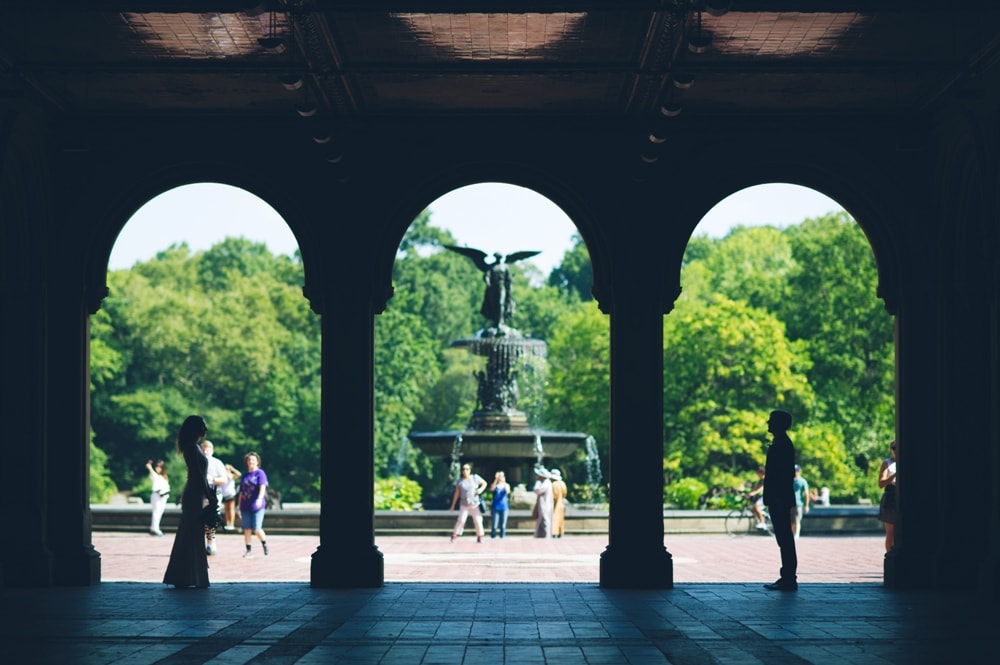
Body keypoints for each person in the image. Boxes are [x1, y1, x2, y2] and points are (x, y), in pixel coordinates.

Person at [163, 415, 214, 589]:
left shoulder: (192, 447)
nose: (205, 430)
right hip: (194, 494)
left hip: (195, 493)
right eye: (202, 426)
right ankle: (191, 576)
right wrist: (210, 494)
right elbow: (200, 475)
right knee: (191, 534)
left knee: (190, 534)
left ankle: (186, 576)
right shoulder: (192, 448)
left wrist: (207, 494)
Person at [762, 409, 797, 591]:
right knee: (784, 538)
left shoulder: (781, 445)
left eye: (771, 421)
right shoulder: (783, 443)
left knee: (784, 538)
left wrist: (774, 497)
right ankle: (788, 576)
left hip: (779, 498)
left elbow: (781, 474)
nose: (768, 423)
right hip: (780, 497)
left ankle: (789, 577)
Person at [200, 440, 230, 555]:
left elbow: (224, 479)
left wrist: (212, 479)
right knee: (199, 520)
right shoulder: (197, 463)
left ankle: (211, 544)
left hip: (213, 495)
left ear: (212, 451)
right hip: (199, 494)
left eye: (207, 449)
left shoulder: (217, 463)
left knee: (210, 519)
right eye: (203, 450)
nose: (205, 451)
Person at [238, 451, 269, 558]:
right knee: (247, 528)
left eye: (253, 460)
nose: (251, 462)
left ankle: (264, 543)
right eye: (249, 460)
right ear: (247, 462)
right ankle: (248, 550)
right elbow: (241, 492)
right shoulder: (245, 475)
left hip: (257, 505)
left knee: (256, 528)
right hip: (245, 505)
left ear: (257, 462)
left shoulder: (260, 473)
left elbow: (262, 487)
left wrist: (260, 498)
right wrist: (239, 505)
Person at [449, 463, 487, 543]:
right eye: (463, 469)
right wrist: (453, 505)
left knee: (478, 520)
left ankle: (479, 536)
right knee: (461, 520)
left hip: (475, 503)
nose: (465, 471)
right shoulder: (460, 481)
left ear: (470, 470)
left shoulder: (475, 478)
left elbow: (484, 483)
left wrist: (480, 490)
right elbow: (457, 494)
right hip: (464, 504)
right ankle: (455, 535)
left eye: (467, 469)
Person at [878, 439, 898, 552]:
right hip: (891, 496)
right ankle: (890, 556)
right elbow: (881, 483)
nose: (896, 451)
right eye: (894, 448)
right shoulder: (887, 463)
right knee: (890, 532)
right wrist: (894, 475)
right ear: (891, 450)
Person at [145, 459, 170, 536]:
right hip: (156, 495)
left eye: (160, 467)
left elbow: (166, 486)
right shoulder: (155, 475)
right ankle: (155, 529)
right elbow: (153, 474)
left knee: (160, 513)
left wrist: (167, 494)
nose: (158, 468)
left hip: (163, 496)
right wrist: (149, 467)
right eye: (157, 466)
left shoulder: (164, 476)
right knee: (156, 512)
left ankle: (154, 527)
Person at [532, 467, 554, 538]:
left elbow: (537, 491)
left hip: (545, 506)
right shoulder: (545, 482)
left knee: (545, 522)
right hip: (544, 506)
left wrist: (537, 483)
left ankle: (547, 537)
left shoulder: (546, 483)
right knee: (541, 522)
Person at [489, 470, 510, 539]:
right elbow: (491, 489)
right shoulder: (495, 485)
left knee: (503, 525)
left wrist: (504, 481)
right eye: (500, 476)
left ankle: (502, 537)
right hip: (495, 507)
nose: (501, 477)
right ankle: (493, 536)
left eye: (502, 476)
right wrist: (496, 479)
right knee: (494, 524)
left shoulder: (506, 485)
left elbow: (508, 491)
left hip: (504, 507)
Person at [792, 464, 810, 541]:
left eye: (796, 471)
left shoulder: (802, 481)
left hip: (798, 503)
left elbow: (806, 494)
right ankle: (792, 534)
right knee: (791, 520)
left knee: (797, 519)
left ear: (799, 472)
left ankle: (796, 534)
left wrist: (806, 505)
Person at [550, 468, 568, 538]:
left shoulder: (554, 484)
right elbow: (564, 493)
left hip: (555, 504)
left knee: (555, 518)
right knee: (561, 519)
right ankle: (561, 533)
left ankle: (554, 533)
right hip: (561, 503)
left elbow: (554, 496)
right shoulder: (562, 483)